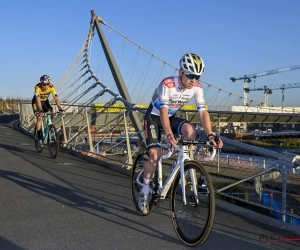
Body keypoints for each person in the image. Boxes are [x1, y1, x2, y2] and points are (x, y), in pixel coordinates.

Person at [139, 53, 223, 215]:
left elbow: (203, 112)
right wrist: (169, 133)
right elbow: (163, 111)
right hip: (154, 118)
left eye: (197, 76)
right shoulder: (167, 84)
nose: (193, 79)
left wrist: (211, 134)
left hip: (169, 117)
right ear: (180, 73)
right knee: (154, 157)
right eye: (190, 75)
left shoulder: (197, 87)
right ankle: (144, 190)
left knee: (190, 131)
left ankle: (183, 160)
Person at [32, 75, 64, 146]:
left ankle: (49, 126)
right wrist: (40, 110)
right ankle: (39, 136)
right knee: (39, 117)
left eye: (47, 84)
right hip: (36, 102)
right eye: (44, 84)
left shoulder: (52, 87)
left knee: (52, 111)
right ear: (41, 83)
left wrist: (60, 108)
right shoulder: (37, 87)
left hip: (45, 102)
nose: (46, 86)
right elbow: (37, 100)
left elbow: (56, 98)